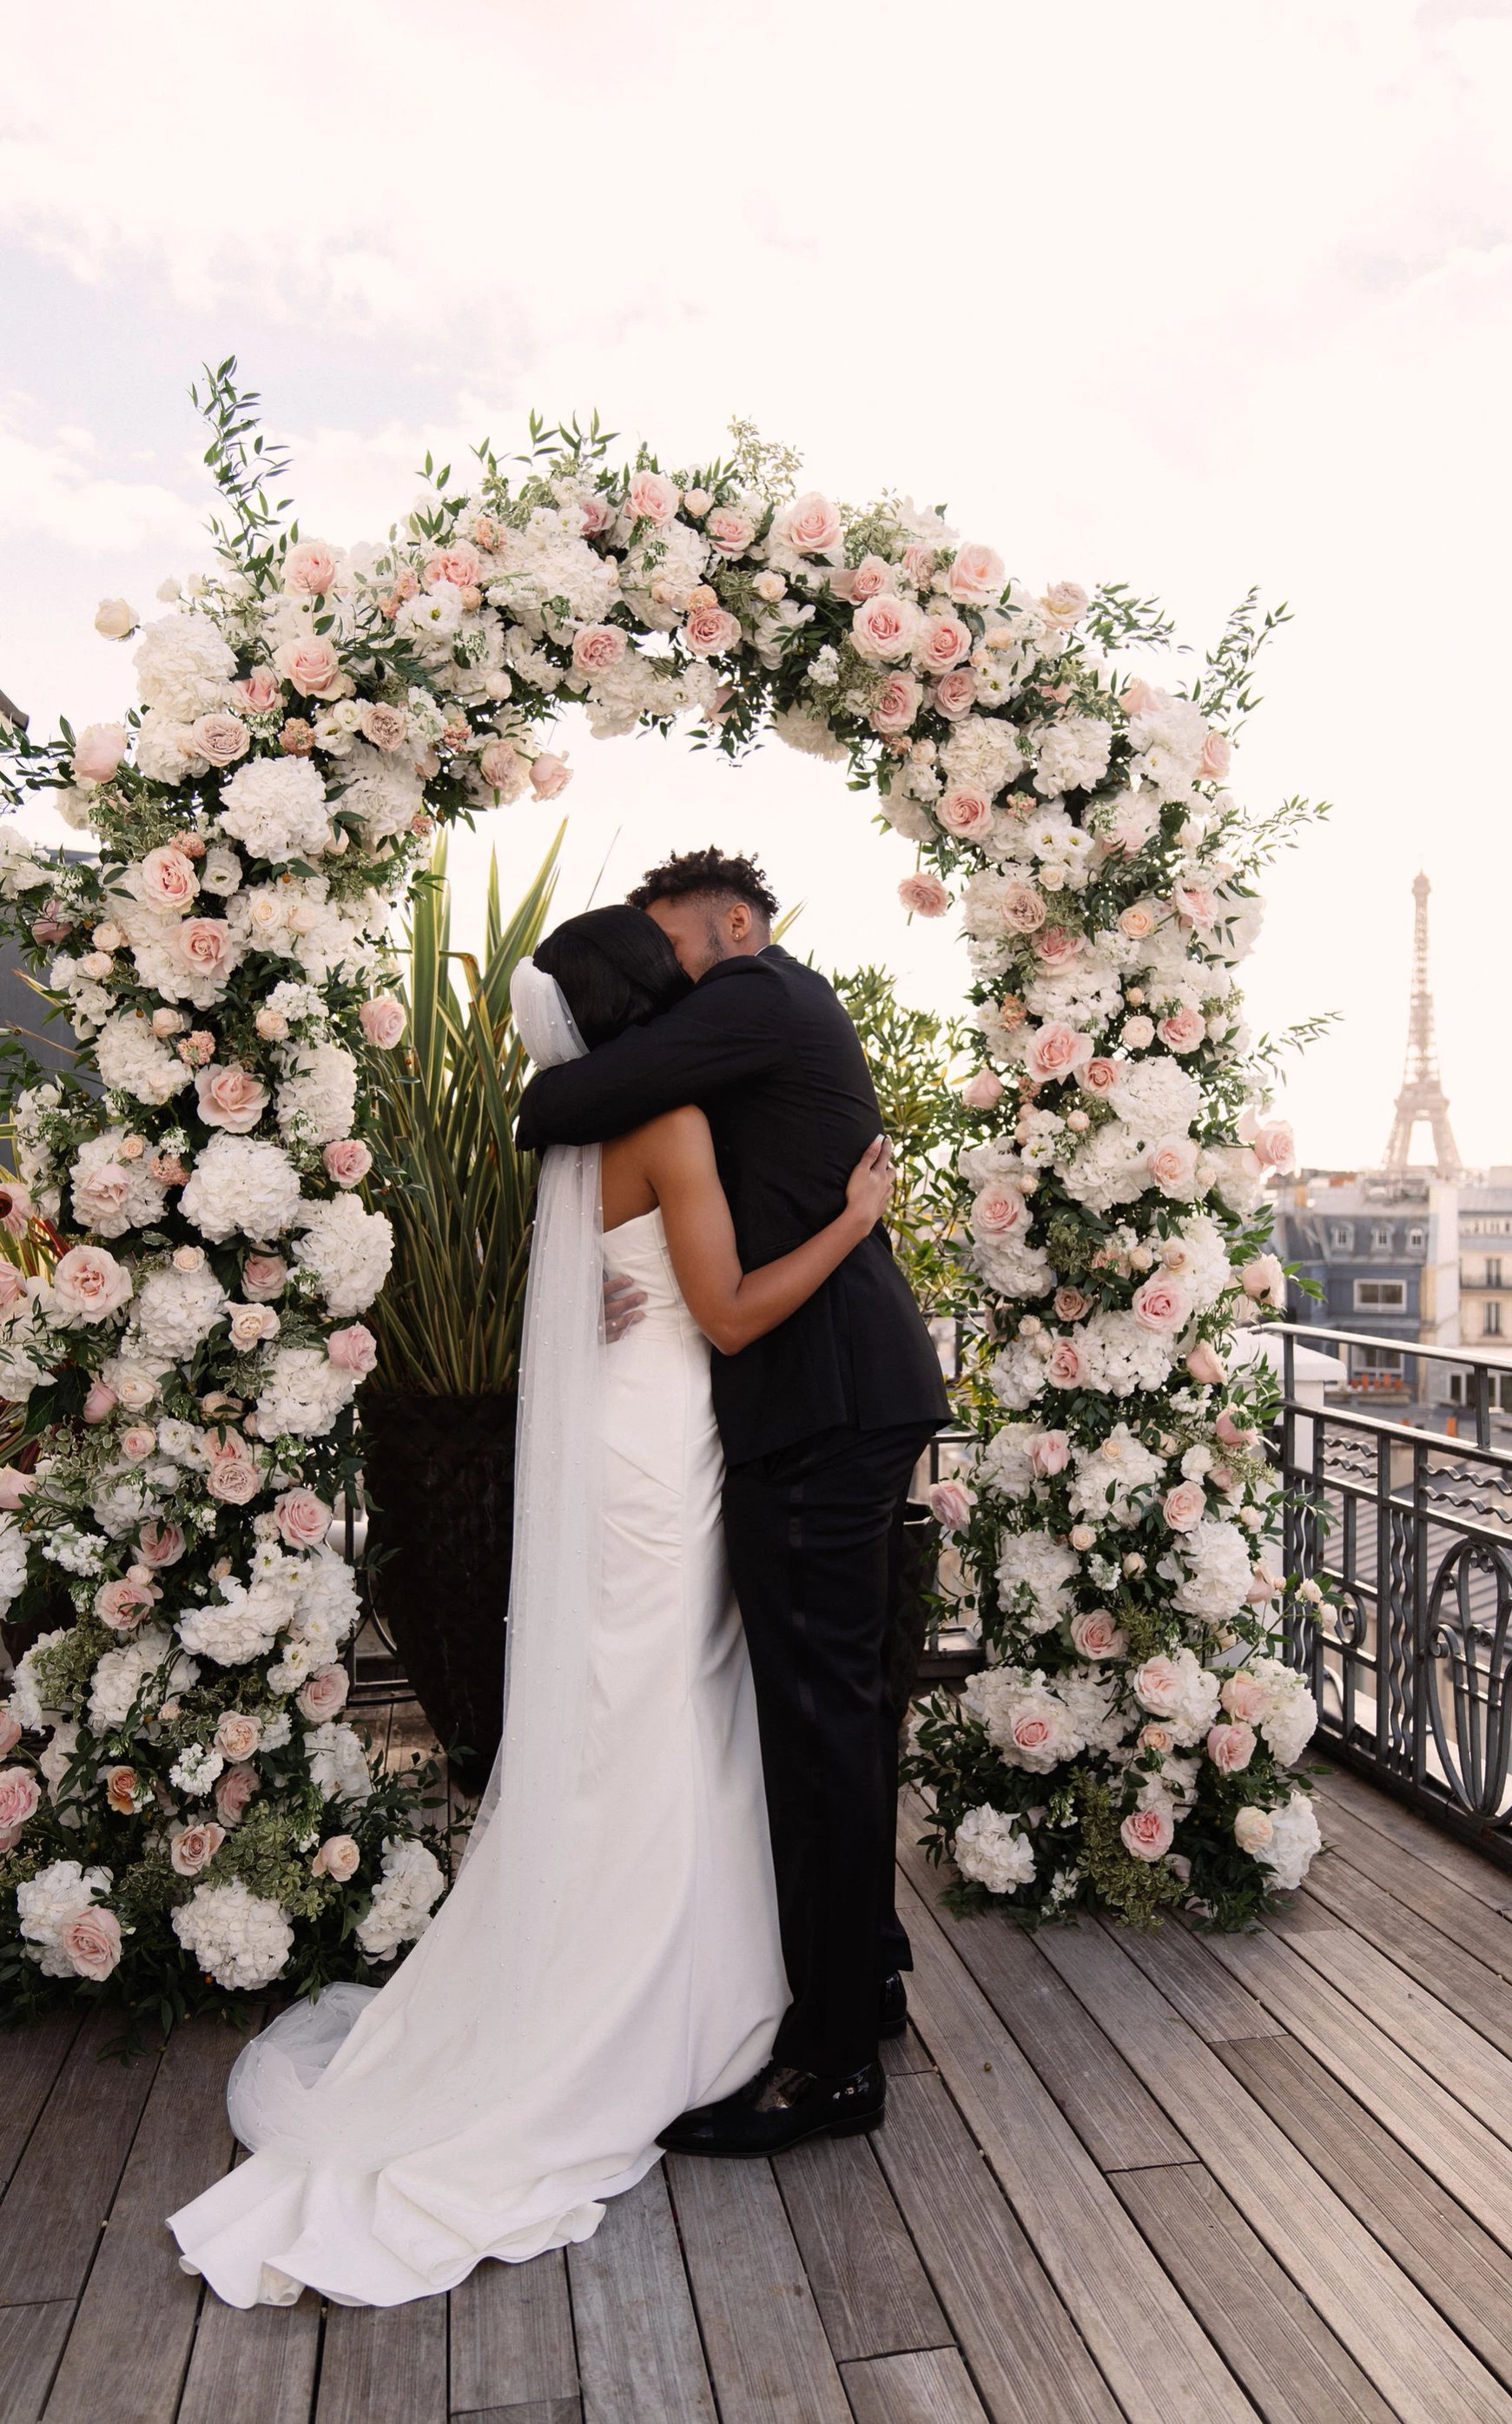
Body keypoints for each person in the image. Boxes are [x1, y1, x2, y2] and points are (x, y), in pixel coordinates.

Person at [168, 905, 892, 2308]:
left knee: (642, 1702)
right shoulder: (672, 1118)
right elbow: (730, 1313)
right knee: (671, 1701)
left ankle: (672, 1966)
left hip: (627, 1421)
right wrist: (855, 1221)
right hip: (675, 1435)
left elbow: (612, 1283)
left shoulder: (583, 1130)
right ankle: (662, 1996)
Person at [516, 848, 950, 2159]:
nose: (669, 981)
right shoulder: (732, 1045)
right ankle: (862, 1979)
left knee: (819, 1720)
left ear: (739, 924)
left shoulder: (761, 992)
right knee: (845, 1710)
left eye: (678, 949)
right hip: (833, 1399)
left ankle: (826, 2066)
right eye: (648, 965)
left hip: (820, 1403)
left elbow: (559, 1103)